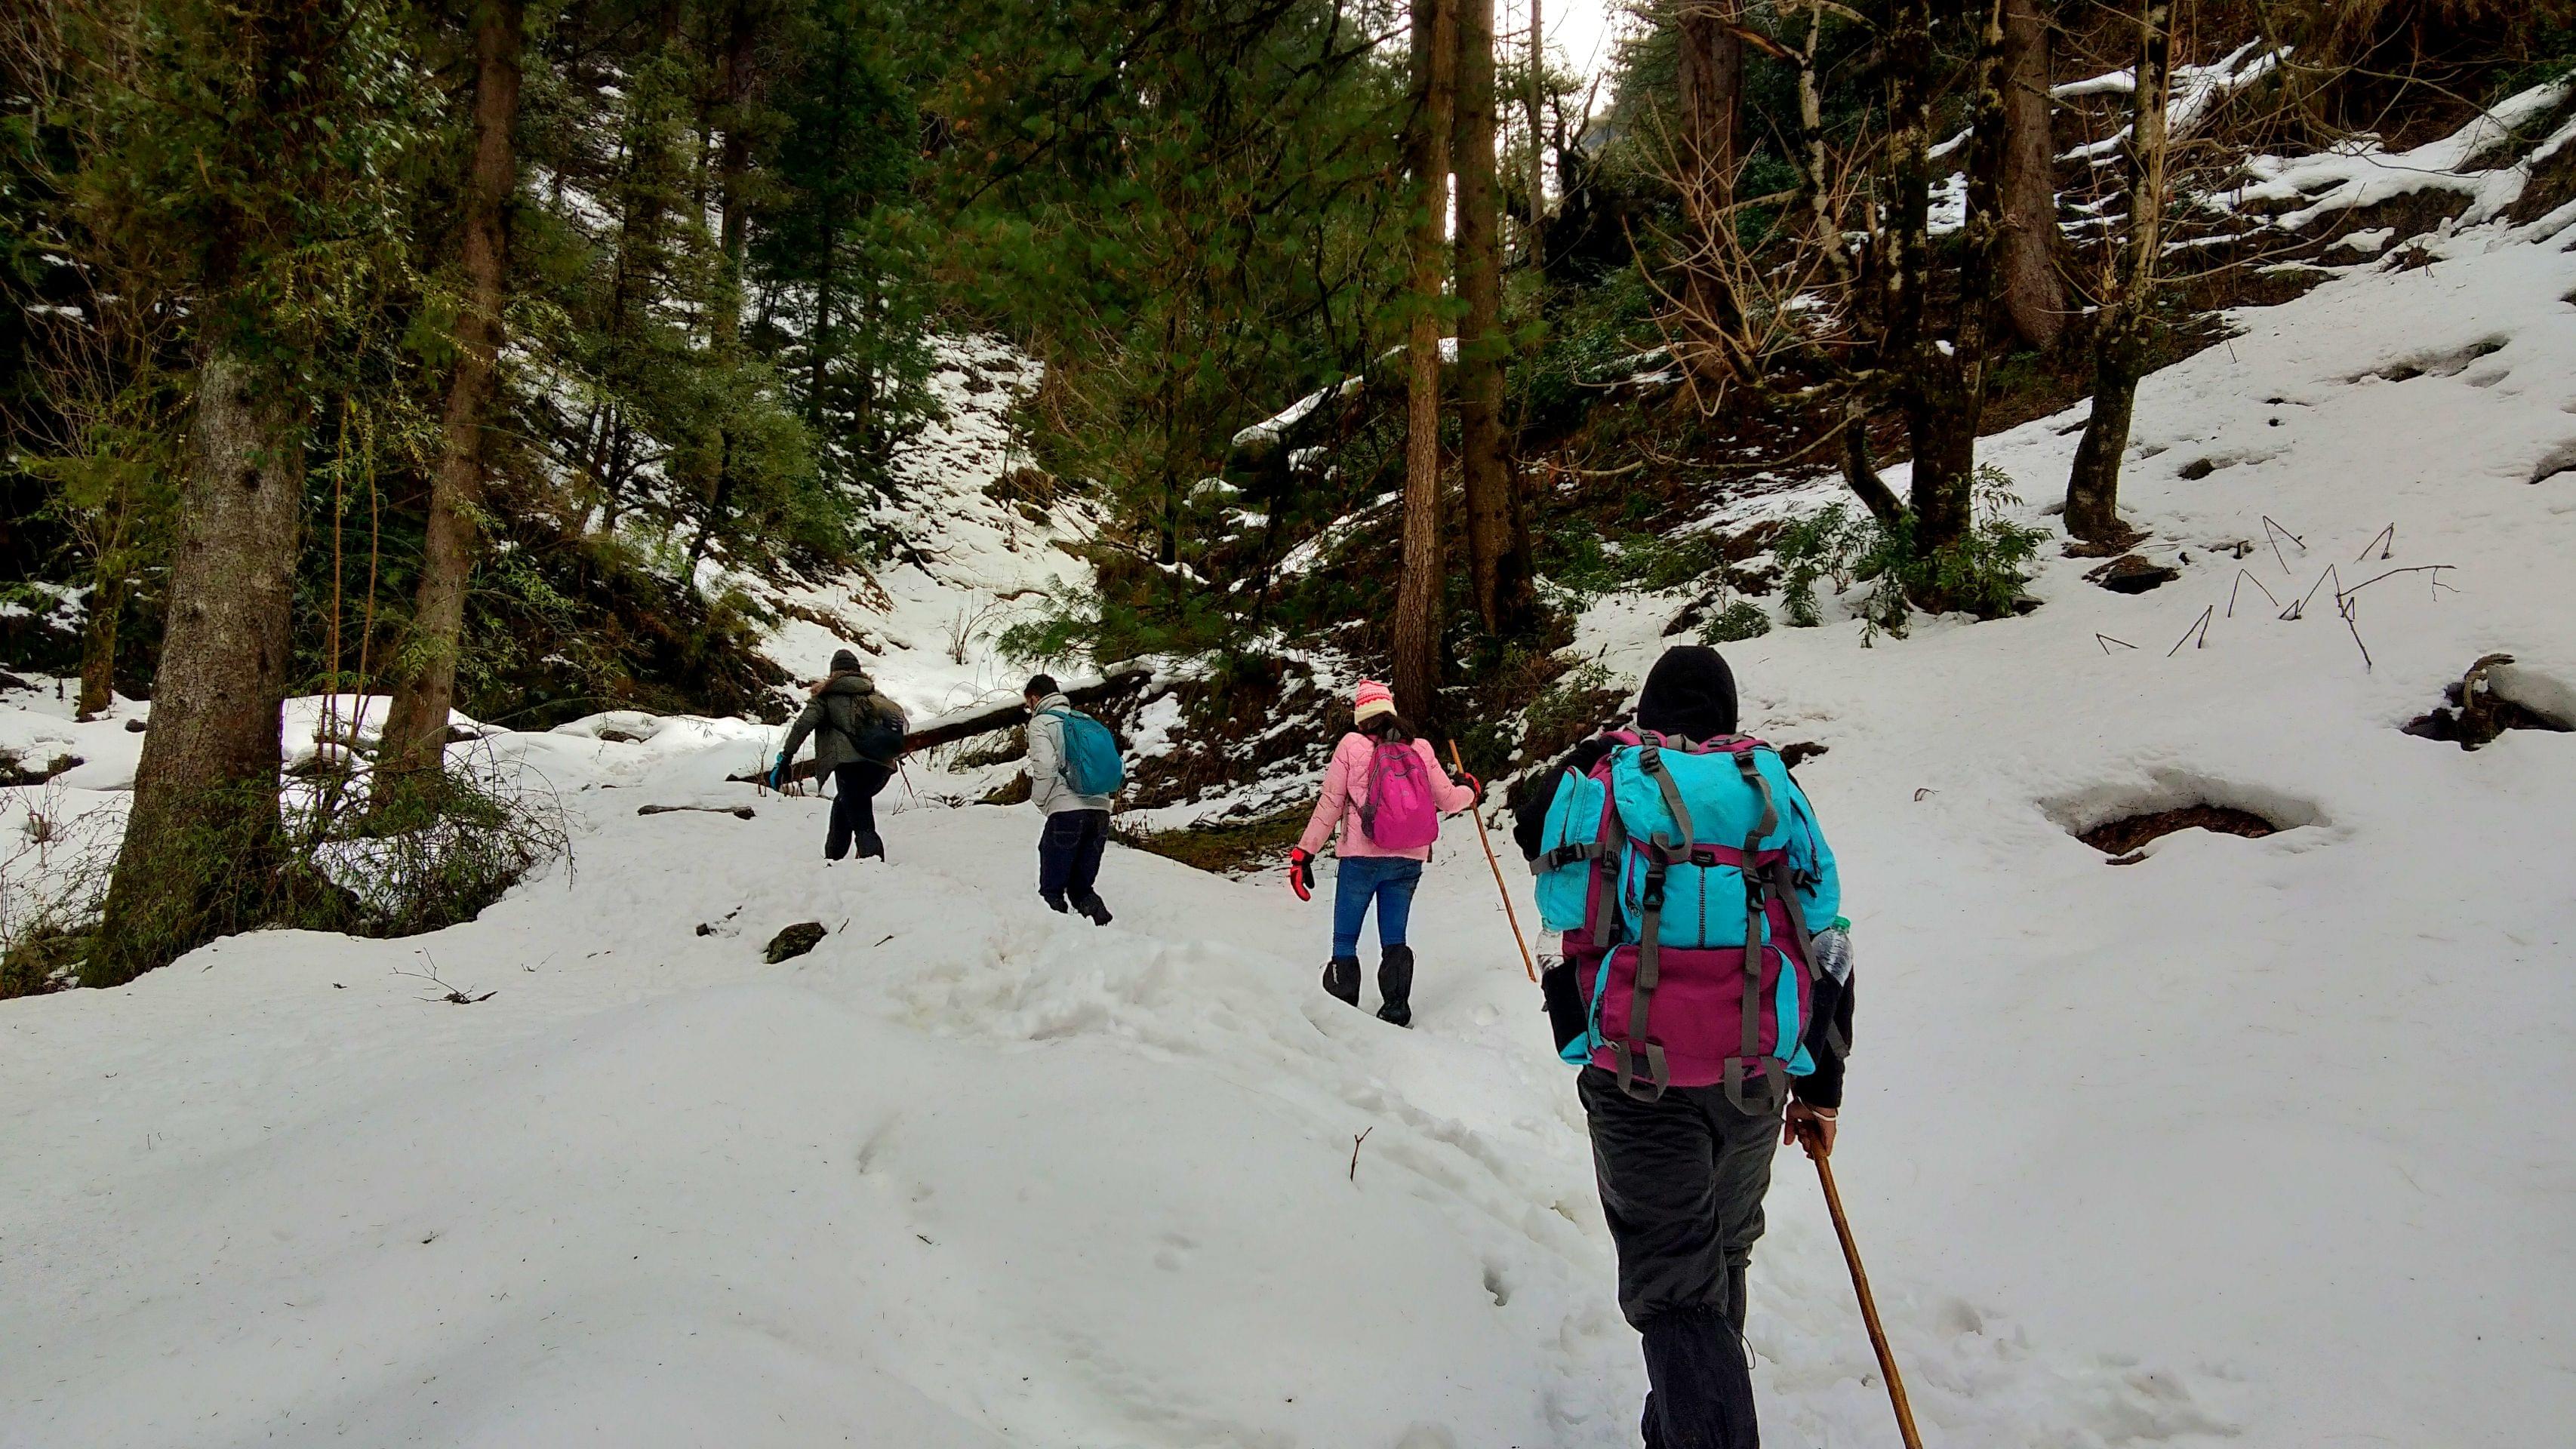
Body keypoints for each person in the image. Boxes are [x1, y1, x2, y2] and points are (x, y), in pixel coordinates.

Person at [1508, 645, 1854, 1449]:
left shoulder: (1605, 777)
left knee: (1676, 1291)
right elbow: (1827, 943)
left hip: (1630, 1075)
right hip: (1755, 1074)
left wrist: (1591, 756)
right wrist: (1821, 1087)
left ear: (1647, 710)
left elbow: (1540, 854)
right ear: (1727, 718)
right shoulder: (1768, 786)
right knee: (1720, 1260)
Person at [1285, 679, 1478, 1027]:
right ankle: (1395, 1008)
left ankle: (1340, 1010)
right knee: (1395, 936)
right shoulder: (1419, 747)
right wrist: (1470, 789)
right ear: (1390, 711)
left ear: (1361, 717)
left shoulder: (1351, 745)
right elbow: (1449, 800)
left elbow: (1330, 804)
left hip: (1360, 859)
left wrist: (1304, 853)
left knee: (1345, 937)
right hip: (1408, 859)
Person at [772, 649, 908, 862]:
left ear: (833, 673)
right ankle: (833, 859)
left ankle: (873, 865)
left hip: (851, 766)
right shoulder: (875, 696)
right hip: (882, 767)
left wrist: (786, 758)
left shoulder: (826, 698)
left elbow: (803, 725)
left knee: (862, 821)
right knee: (845, 803)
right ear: (858, 672)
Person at [1023, 675, 1115, 924]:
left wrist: (1040, 800)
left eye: (1028, 705)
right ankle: (1108, 936)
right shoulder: (1087, 722)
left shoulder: (1042, 723)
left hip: (1066, 811)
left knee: (1051, 891)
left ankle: (1052, 947)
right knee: (1081, 890)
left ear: (1034, 699)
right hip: (1100, 812)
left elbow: (1044, 766)